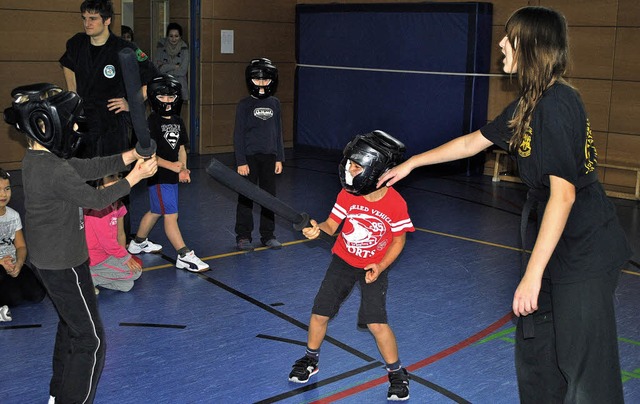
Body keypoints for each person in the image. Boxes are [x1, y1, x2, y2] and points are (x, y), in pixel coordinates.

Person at [378, 7, 632, 403]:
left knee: (586, 369)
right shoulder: (527, 104)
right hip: (551, 242)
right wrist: (412, 162)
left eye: (509, 37)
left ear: (530, 45)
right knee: (537, 354)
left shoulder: (557, 104)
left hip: (583, 246)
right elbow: (472, 142)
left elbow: (563, 195)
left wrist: (532, 274)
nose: (500, 43)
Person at [3, 82, 157, 403]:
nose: (75, 127)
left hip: (59, 260)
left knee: (70, 327)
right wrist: (135, 177)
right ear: (47, 124)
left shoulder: (40, 160)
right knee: (91, 340)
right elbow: (96, 198)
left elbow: (88, 167)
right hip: (64, 264)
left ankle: (59, 394)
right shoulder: (53, 171)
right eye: (70, 121)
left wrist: (129, 156)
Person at [288, 130, 415, 401]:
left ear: (376, 170)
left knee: (376, 322)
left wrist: (380, 266)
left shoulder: (395, 203)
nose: (349, 171)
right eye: (349, 165)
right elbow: (331, 226)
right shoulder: (347, 195)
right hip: (343, 261)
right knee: (319, 313)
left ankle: (396, 372)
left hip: (373, 266)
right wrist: (316, 230)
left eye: (356, 166)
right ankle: (310, 359)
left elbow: (398, 241)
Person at [127, 74, 209, 273]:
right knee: (171, 216)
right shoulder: (151, 122)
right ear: (154, 98)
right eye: (162, 97)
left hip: (171, 175)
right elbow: (149, 155)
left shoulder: (178, 121)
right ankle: (183, 255)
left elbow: (181, 147)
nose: (167, 101)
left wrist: (183, 167)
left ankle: (137, 243)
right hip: (158, 176)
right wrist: (171, 166)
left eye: (170, 97)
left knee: (156, 210)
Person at [60, 0, 157, 158]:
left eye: (93, 18)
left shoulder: (125, 48)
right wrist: (72, 93)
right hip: (83, 117)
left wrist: (131, 102)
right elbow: (67, 64)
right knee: (84, 173)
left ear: (107, 20)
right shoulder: (76, 43)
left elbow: (153, 78)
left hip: (111, 121)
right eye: (84, 18)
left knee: (111, 174)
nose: (87, 23)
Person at [233, 58, 285, 251]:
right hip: (249, 158)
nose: (262, 84)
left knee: (269, 198)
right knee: (246, 197)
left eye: (265, 80)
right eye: (257, 80)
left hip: (269, 158)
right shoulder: (244, 105)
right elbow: (238, 134)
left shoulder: (275, 103)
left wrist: (279, 157)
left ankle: (268, 235)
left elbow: (278, 131)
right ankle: (243, 235)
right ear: (250, 80)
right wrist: (240, 161)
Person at [0, 168, 46, 321]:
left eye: (6, 189)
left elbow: (21, 246)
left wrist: (19, 263)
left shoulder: (13, 215)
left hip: (11, 262)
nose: (3, 194)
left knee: (37, 295)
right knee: (14, 298)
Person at [85, 173, 142, 293]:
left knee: (127, 286)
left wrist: (122, 257)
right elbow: (106, 241)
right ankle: (88, 277)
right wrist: (125, 258)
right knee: (136, 273)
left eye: (119, 177)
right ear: (98, 181)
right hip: (94, 258)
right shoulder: (97, 208)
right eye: (111, 177)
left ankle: (94, 278)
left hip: (107, 254)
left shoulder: (118, 204)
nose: (117, 181)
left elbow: (120, 234)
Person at [155, 22, 189, 101]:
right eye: (171, 36)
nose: (173, 39)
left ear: (180, 36)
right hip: (163, 87)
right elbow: (157, 68)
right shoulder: (161, 47)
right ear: (167, 36)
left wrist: (165, 67)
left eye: (176, 36)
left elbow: (183, 71)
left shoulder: (184, 49)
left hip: (179, 87)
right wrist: (174, 66)